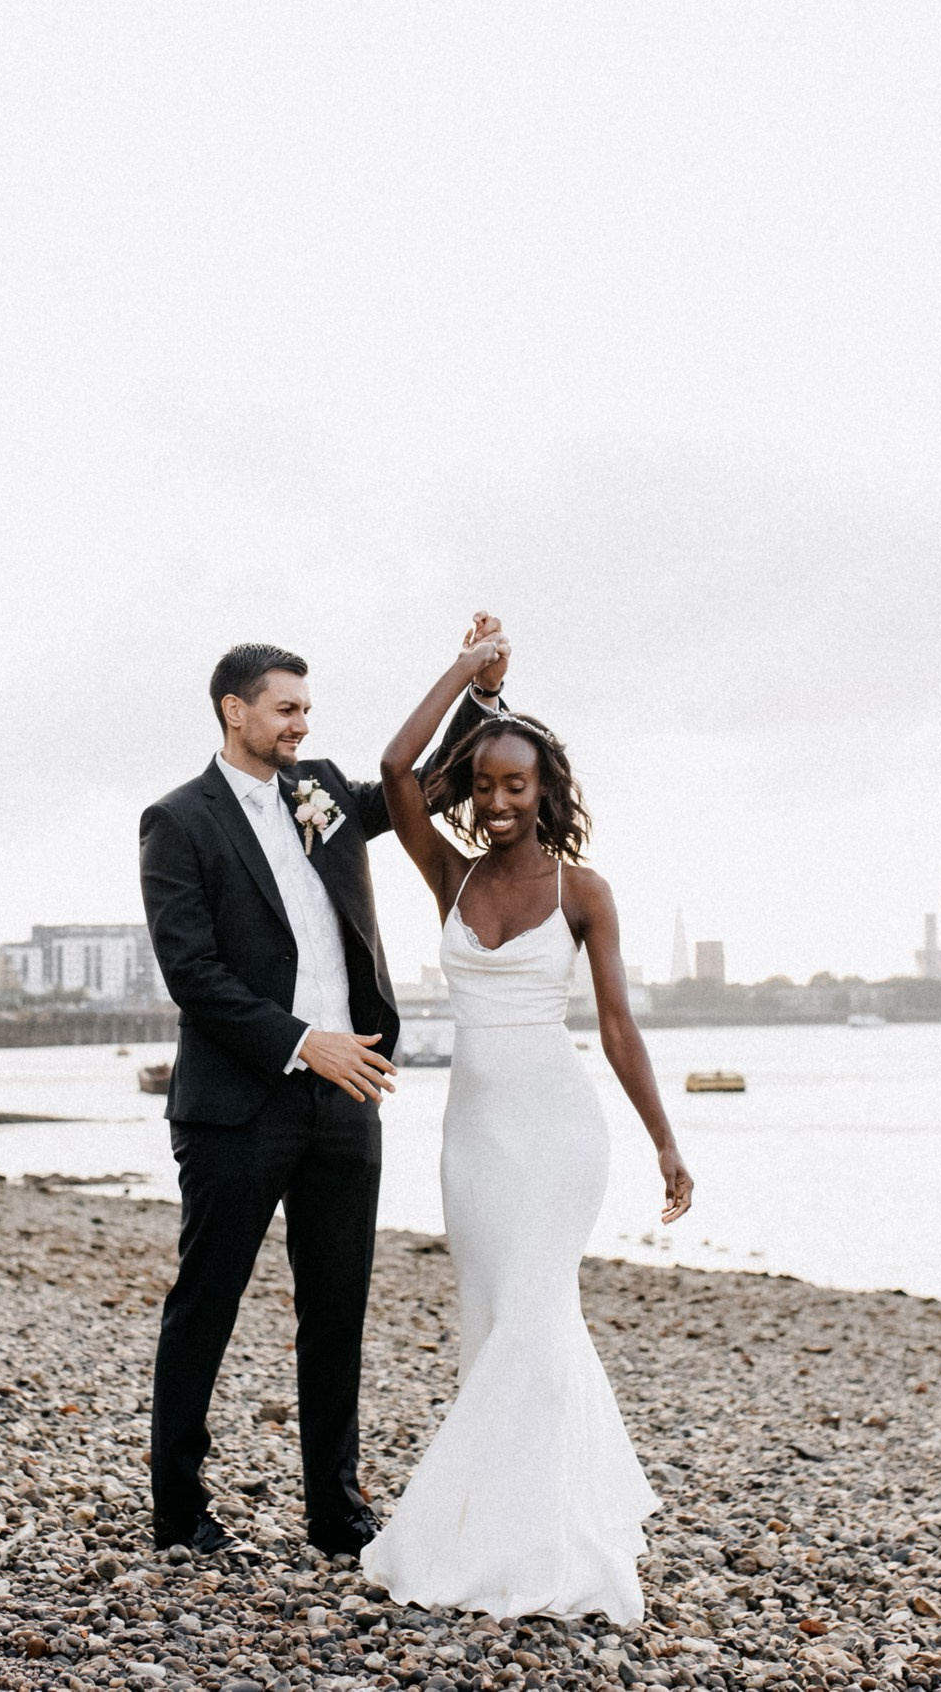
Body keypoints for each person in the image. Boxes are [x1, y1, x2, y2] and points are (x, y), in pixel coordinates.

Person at [136, 624, 511, 1558]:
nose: (303, 723)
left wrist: (481, 690)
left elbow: (430, 779)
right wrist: (307, 1043)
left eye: (308, 708)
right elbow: (195, 973)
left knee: (337, 1307)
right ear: (237, 711)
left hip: (349, 1101)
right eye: (287, 708)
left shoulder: (325, 793)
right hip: (238, 1102)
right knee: (207, 1302)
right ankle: (179, 1509)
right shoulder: (177, 820)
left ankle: (336, 1511)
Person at [357, 623, 695, 1625]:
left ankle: (547, 1541)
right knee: (499, 1322)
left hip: (559, 1136)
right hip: (474, 1143)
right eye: (488, 785)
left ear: (547, 791)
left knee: (538, 1320)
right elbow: (392, 769)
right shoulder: (450, 875)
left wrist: (666, 1143)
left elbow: (620, 1030)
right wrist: (470, 676)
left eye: (519, 786)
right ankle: (492, 1520)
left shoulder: (583, 892)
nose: (501, 802)